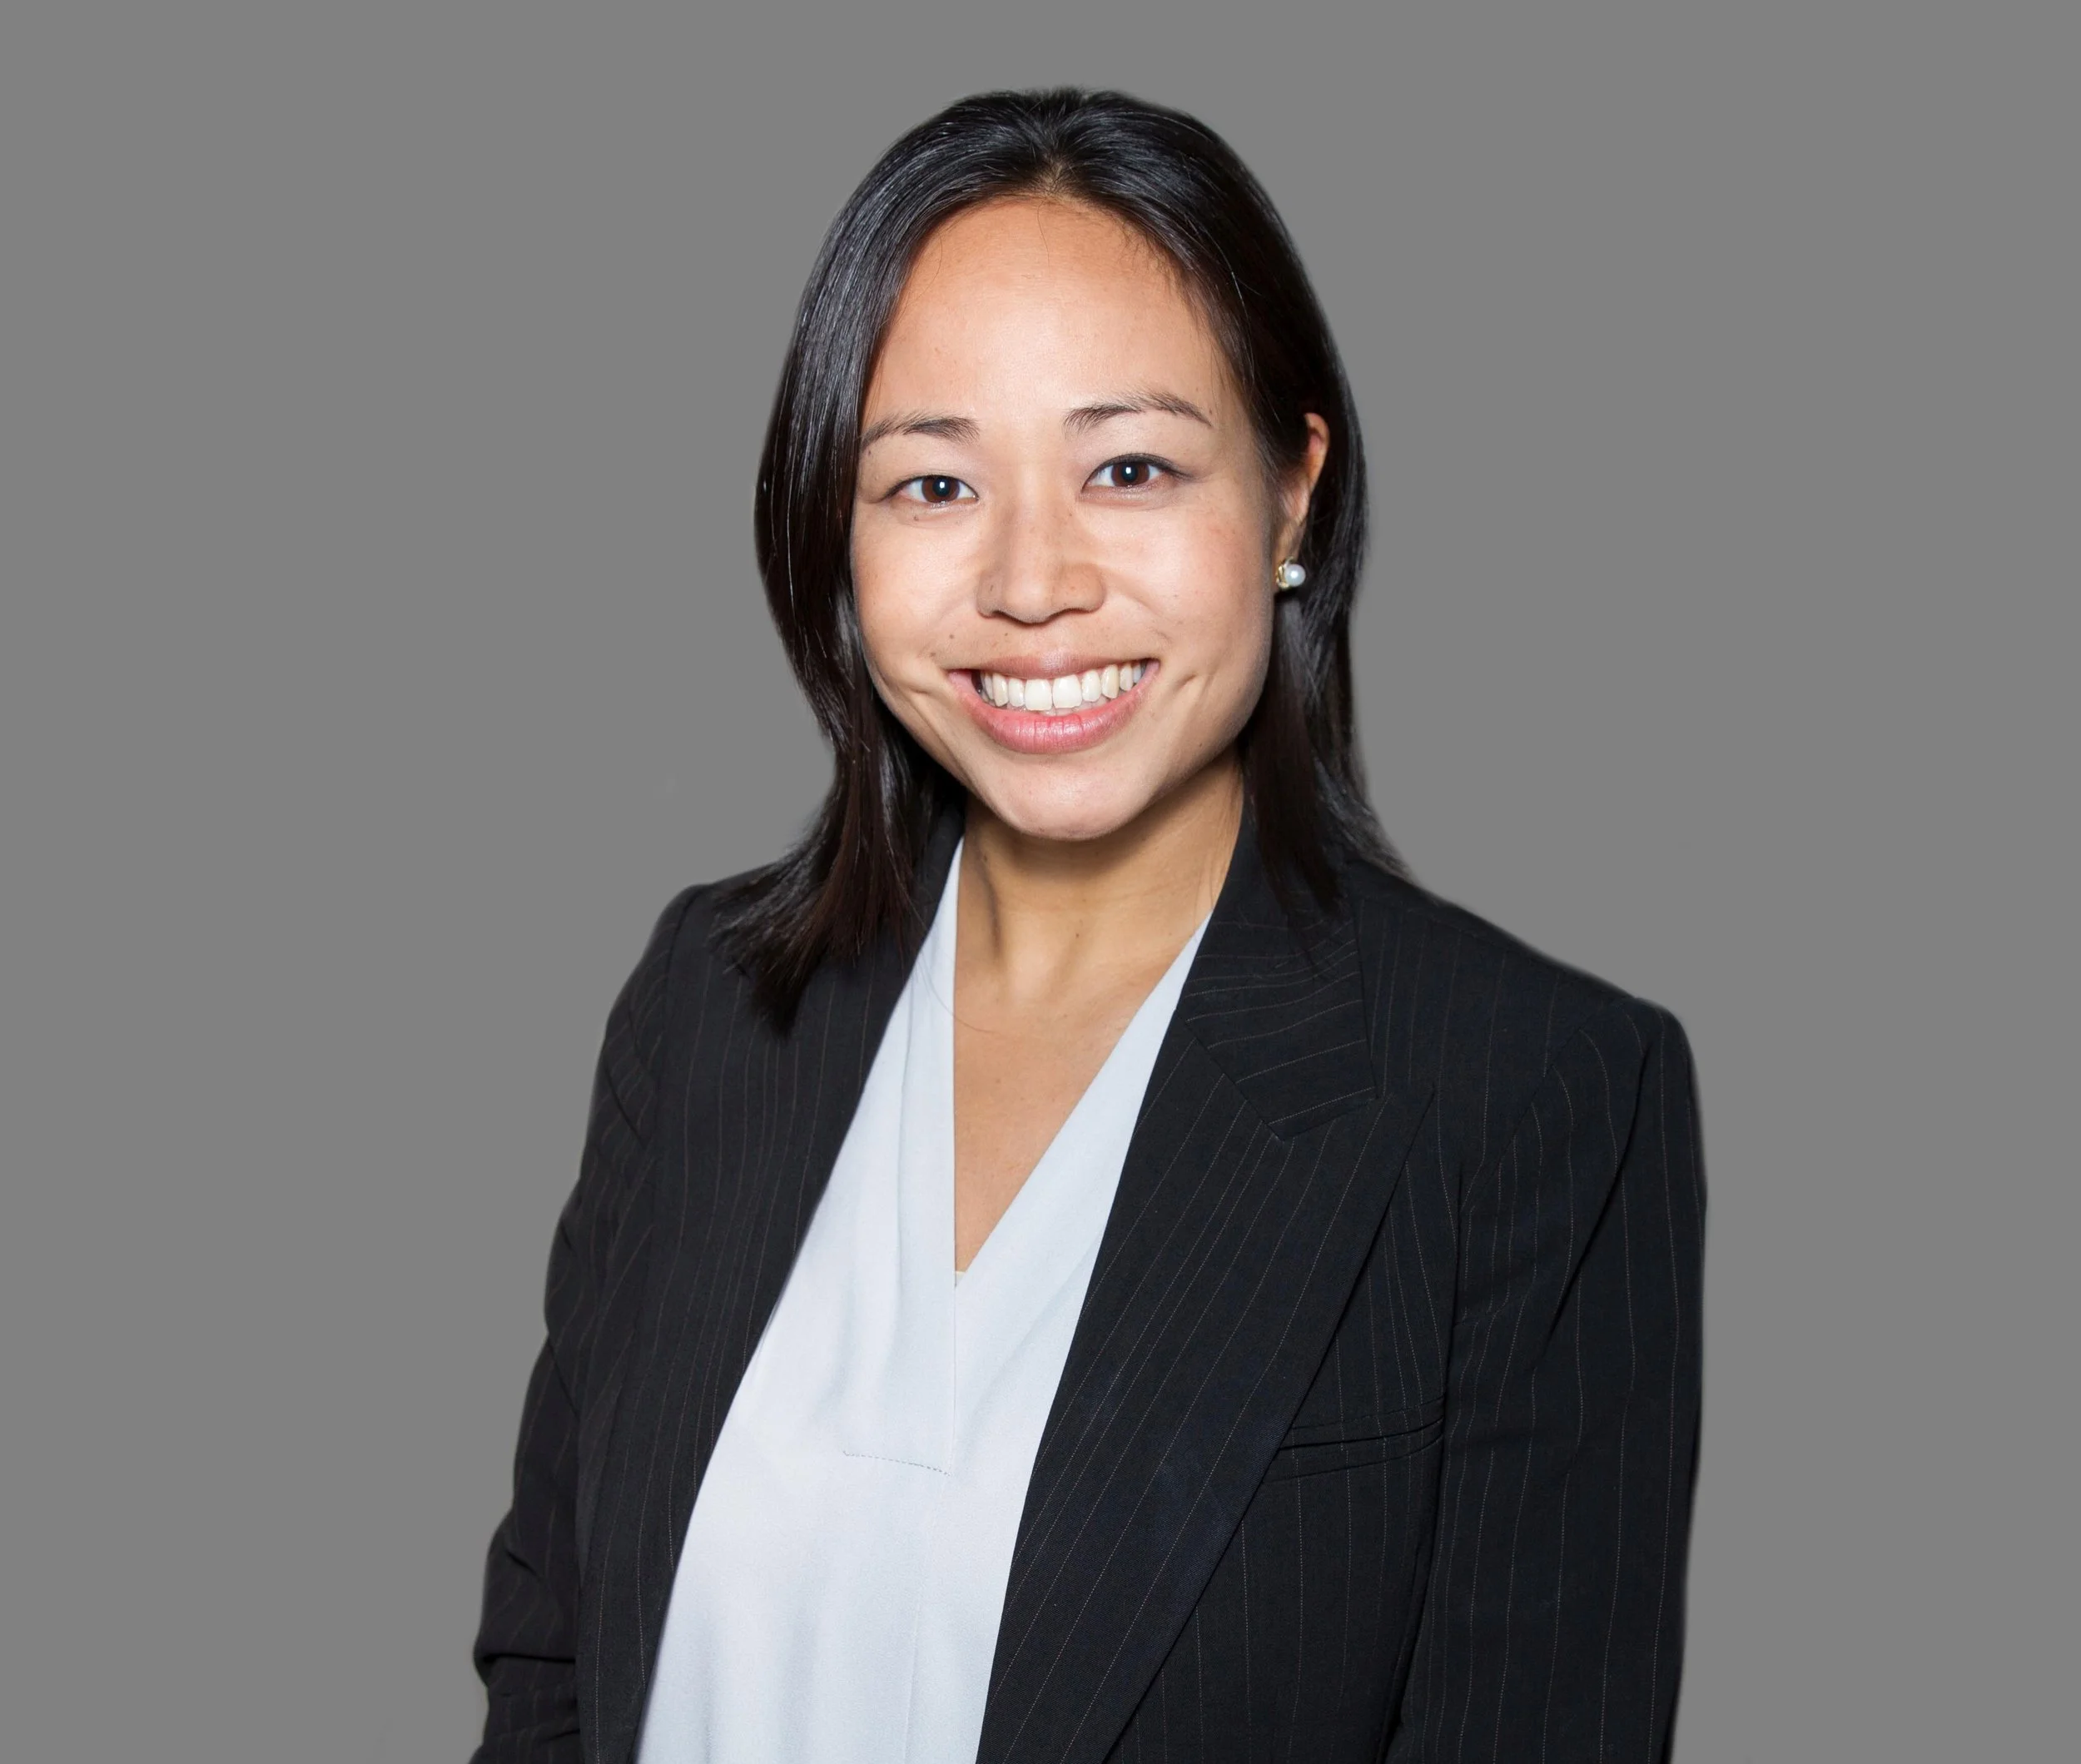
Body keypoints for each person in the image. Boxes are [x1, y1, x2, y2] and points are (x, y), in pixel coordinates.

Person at [470, 88, 1703, 1764]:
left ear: (1287, 498)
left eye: (1128, 467)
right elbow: (549, 1660)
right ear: (833, 525)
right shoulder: (704, 1006)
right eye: (927, 485)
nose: (1031, 581)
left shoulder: (1529, 1098)